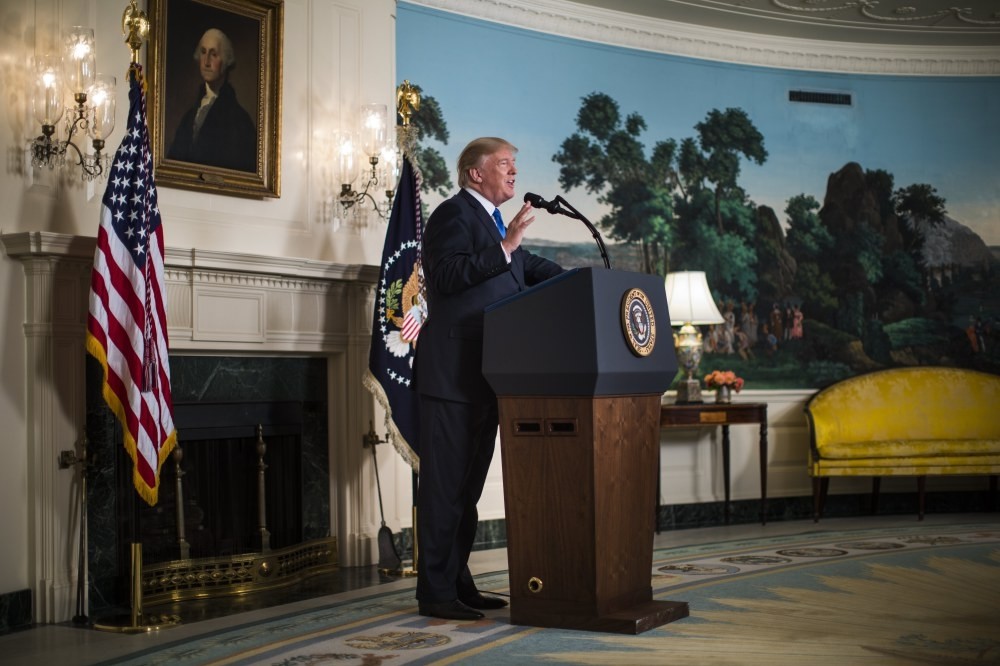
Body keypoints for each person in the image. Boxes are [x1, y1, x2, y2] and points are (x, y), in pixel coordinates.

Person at [414, 137, 565, 621]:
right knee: (444, 490)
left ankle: (458, 582)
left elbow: (527, 268)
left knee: (467, 492)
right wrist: (505, 246)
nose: (514, 171)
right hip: (450, 378)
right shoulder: (452, 214)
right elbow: (446, 275)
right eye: (504, 164)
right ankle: (435, 593)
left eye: (514, 164)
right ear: (475, 173)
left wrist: (584, 280)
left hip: (486, 376)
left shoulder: (495, 223)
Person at [168, 28, 256, 172]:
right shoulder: (189, 117)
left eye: (214, 54)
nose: (206, 62)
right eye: (203, 52)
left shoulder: (240, 121)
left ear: (226, 62)